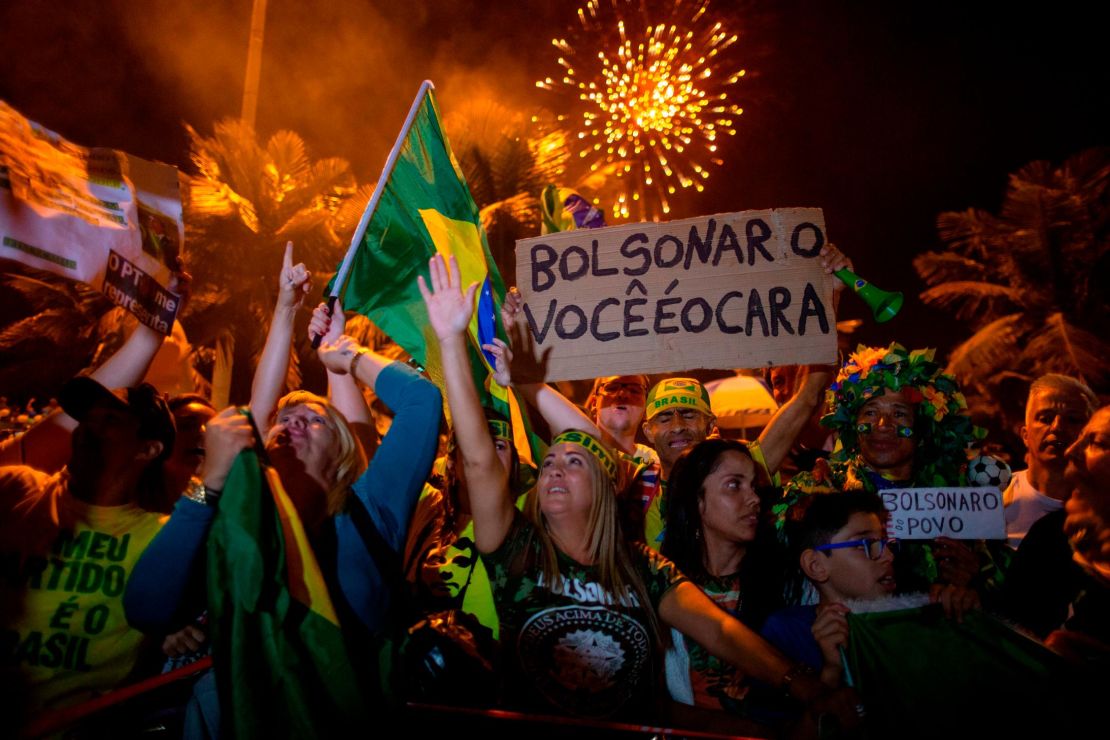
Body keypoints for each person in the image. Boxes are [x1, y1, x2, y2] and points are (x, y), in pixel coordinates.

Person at [420, 253, 859, 729]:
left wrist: (807, 688)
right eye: (548, 464)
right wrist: (450, 339)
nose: (553, 472)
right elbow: (481, 462)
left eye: (573, 462)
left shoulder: (644, 569)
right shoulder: (518, 555)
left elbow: (716, 629)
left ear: (611, 484)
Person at [124, 245, 441, 724]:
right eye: (281, 419)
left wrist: (345, 355)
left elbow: (421, 402)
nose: (288, 422)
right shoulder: (236, 521)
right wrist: (207, 488)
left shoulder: (372, 512)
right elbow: (146, 608)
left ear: (342, 455)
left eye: (310, 419)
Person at [1, 377, 174, 713]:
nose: (88, 429)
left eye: (110, 420)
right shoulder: (17, 490)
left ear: (148, 448)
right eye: (87, 419)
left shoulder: (161, 538)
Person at [780, 343, 1008, 594]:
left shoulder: (958, 495)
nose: (883, 424)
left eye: (899, 414)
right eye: (870, 412)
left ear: (922, 433)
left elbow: (1007, 590)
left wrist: (976, 579)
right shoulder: (820, 487)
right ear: (853, 428)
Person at [762, 490, 977, 687]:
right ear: (815, 565)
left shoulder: (918, 617)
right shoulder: (787, 631)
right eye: (864, 545)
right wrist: (832, 672)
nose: (888, 556)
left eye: (886, 543)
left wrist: (964, 617)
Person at [660, 439, 794, 717]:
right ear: (697, 500)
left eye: (753, 487)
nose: (754, 499)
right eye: (734, 485)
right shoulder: (664, 585)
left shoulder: (787, 581)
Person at [1003, 374, 1096, 548]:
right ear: (1025, 434)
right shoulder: (994, 501)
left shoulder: (1102, 510)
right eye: (1045, 418)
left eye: (1073, 419)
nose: (1057, 427)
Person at [583, 374, 658, 466]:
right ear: (594, 403)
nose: (623, 394)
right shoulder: (573, 449)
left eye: (635, 390)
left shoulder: (657, 464)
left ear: (645, 409)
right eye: (612, 388)